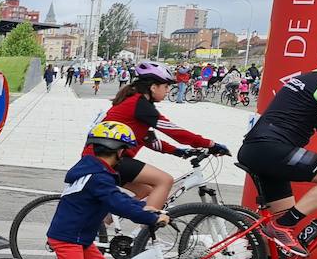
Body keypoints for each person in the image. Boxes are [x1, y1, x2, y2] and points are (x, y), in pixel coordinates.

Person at [16, 122, 167, 259]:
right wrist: (150, 219)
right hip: (68, 237)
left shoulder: (96, 171)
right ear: (117, 151)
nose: (124, 155)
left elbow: (118, 198)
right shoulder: (98, 178)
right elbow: (117, 203)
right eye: (124, 151)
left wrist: (147, 210)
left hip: (79, 236)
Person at [234, 34, 317, 258]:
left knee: (278, 238)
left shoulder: (314, 82)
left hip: (264, 151)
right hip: (270, 148)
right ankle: (281, 226)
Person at [96, 61, 228, 210]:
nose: (167, 91)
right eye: (166, 87)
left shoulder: (135, 102)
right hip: (109, 160)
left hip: (105, 158)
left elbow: (149, 140)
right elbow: (175, 131)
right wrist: (210, 144)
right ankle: (149, 226)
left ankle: (101, 226)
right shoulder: (140, 104)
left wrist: (179, 152)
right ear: (153, 87)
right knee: (165, 181)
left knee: (146, 192)